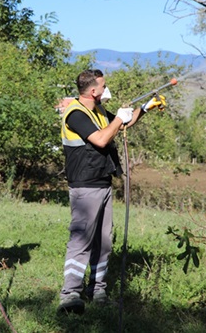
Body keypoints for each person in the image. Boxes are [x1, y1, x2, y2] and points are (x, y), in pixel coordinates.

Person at [57, 69, 164, 314]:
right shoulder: (76, 114)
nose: (106, 90)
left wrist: (145, 108)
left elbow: (124, 123)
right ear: (93, 91)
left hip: (103, 182)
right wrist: (118, 120)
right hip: (85, 185)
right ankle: (70, 294)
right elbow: (102, 139)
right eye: (103, 87)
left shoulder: (100, 111)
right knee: (81, 239)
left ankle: (98, 289)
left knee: (104, 241)